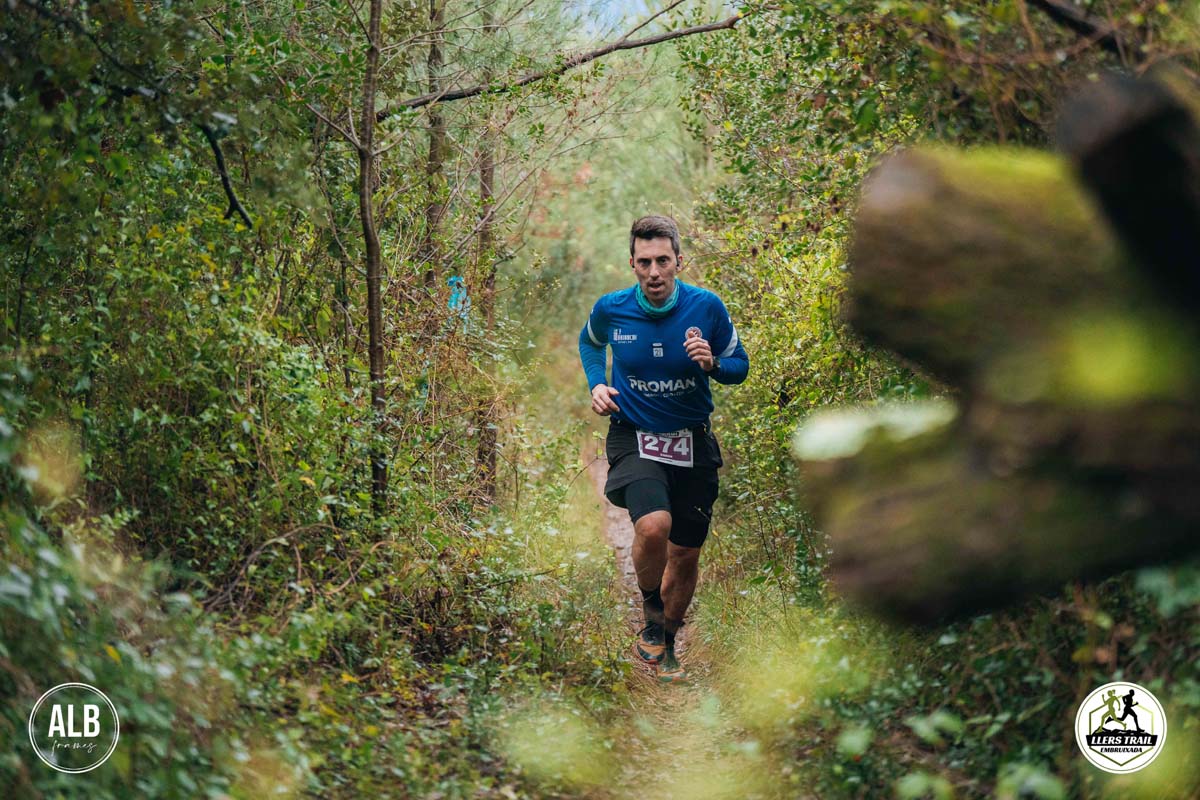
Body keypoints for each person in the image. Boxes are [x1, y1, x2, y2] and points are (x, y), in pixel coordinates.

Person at [578, 215, 749, 683]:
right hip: (634, 434)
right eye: (644, 262)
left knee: (686, 553)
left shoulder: (706, 308)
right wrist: (597, 384)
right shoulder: (612, 309)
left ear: (679, 261)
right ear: (632, 264)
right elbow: (590, 343)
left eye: (663, 261)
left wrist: (713, 364)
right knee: (654, 526)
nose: (654, 272)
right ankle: (652, 612)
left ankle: (669, 645)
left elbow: (740, 365)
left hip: (692, 438)